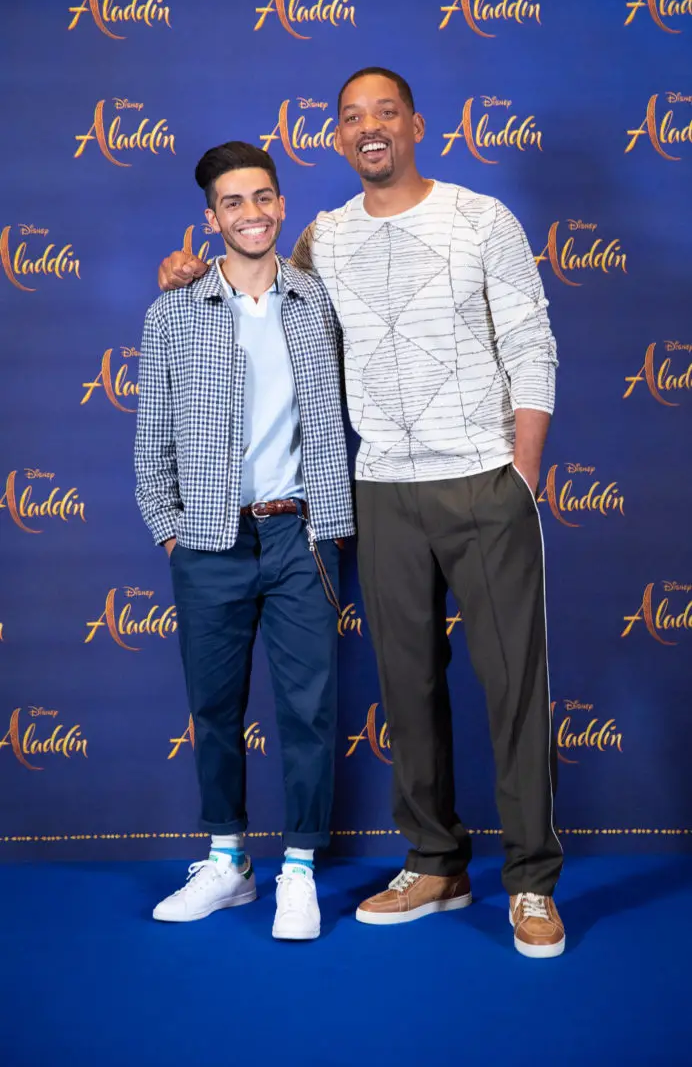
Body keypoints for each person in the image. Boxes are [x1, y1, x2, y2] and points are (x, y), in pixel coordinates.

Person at [157, 68, 565, 958]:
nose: (369, 127)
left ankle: (532, 881)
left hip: (483, 480)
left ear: (416, 124)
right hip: (378, 489)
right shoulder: (325, 238)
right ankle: (435, 862)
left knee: (513, 687)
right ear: (338, 139)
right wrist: (189, 274)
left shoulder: (481, 218)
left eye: (385, 112)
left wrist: (522, 476)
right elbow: (260, 293)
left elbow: (531, 342)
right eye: (351, 117)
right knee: (406, 687)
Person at [135, 141, 354, 941]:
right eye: (233, 202)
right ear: (211, 219)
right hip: (209, 542)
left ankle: (298, 870)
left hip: (302, 534)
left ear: (282, 205)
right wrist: (175, 536)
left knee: (309, 709)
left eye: (263, 197)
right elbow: (151, 443)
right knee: (214, 707)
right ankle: (227, 861)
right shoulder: (172, 312)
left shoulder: (320, 301)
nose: (251, 214)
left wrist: (326, 528)